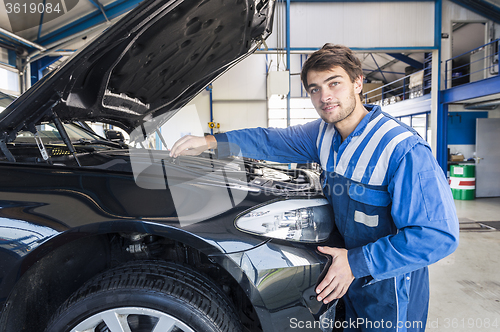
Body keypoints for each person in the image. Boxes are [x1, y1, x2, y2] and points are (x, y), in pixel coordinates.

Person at [169, 44, 459, 331]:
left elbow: (437, 236)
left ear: (358, 82)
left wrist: (356, 263)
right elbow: (269, 140)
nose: (325, 96)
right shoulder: (323, 135)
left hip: (390, 288)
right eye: (314, 89)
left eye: (335, 83)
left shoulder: (401, 149)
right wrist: (211, 142)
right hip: (346, 276)